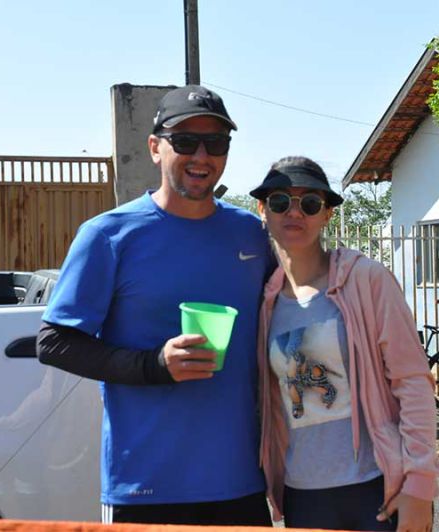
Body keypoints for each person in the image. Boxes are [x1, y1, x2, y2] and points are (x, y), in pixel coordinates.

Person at [37, 85, 274, 526]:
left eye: (216, 143)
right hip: (146, 485)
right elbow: (54, 342)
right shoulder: (108, 235)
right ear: (154, 148)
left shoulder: (251, 235)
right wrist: (154, 365)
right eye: (184, 141)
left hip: (240, 482)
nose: (201, 156)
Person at [250, 156, 439, 532]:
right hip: (303, 495)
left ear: (327, 214)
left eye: (310, 203)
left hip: (376, 487)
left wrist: (420, 486)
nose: (294, 212)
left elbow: (413, 382)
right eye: (280, 201)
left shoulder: (366, 280)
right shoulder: (265, 301)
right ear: (262, 210)